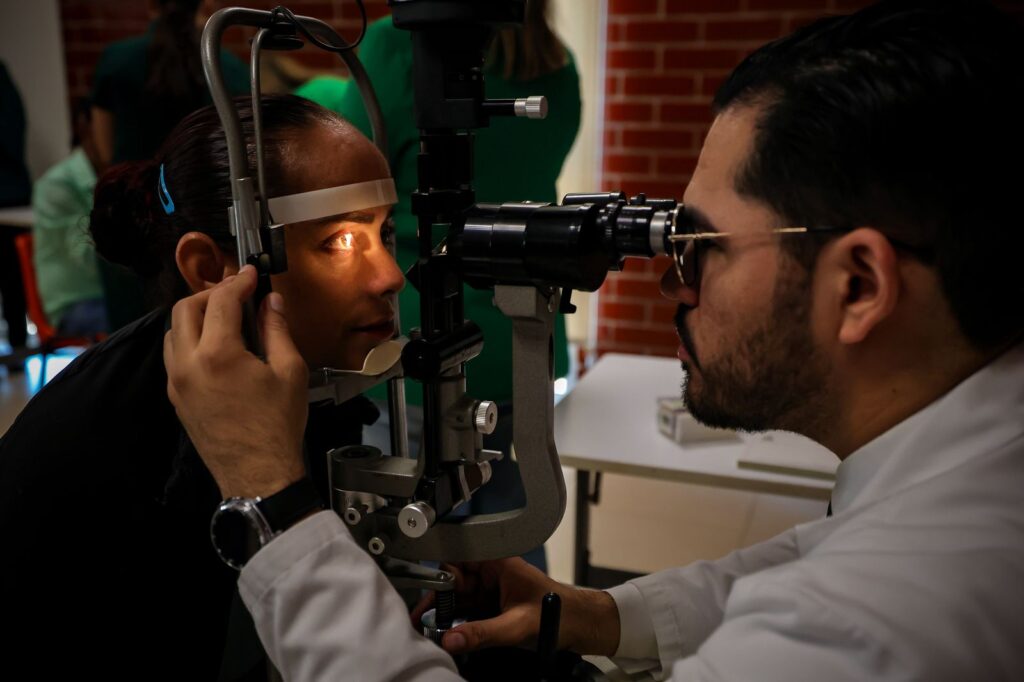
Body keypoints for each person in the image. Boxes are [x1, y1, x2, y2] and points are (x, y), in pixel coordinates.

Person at [163, 0, 1024, 680]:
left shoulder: (862, 627)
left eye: (701, 245)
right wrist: (596, 614)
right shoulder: (968, 482)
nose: (673, 283)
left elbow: (826, 598)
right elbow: (820, 550)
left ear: (859, 286)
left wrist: (273, 505)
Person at [0, 94, 402, 679]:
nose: (390, 275)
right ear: (212, 269)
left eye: (385, 232)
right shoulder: (106, 452)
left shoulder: (315, 386)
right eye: (338, 241)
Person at [298, 2, 582, 570]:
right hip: (520, 344)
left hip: (414, 344)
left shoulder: (396, 43)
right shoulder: (557, 64)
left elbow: (345, 167)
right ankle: (530, 623)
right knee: (511, 530)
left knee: (405, 543)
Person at [91, 0, 250, 330]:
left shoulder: (116, 61)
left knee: (135, 339)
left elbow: (103, 149)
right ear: (204, 4)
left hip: (129, 219)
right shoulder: (228, 67)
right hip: (210, 227)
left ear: (151, 5)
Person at [31, 98, 107, 336]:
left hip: (108, 294)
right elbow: (87, 257)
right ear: (85, 127)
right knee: (149, 318)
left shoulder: (108, 174)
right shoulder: (57, 184)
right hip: (75, 303)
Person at [0, 60, 32, 369]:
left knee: (12, 277)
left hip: (7, 195)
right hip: (10, 190)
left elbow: (10, 134)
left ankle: (19, 344)